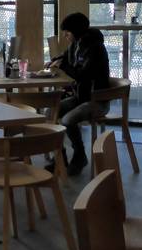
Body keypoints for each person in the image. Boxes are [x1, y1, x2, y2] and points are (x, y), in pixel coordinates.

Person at [46, 12, 110, 175]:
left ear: (76, 31)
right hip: (81, 97)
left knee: (67, 120)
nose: (65, 36)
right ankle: (60, 158)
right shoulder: (76, 44)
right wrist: (55, 60)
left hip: (97, 100)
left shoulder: (95, 48)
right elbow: (65, 56)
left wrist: (62, 66)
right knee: (50, 112)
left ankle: (80, 156)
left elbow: (82, 75)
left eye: (67, 32)